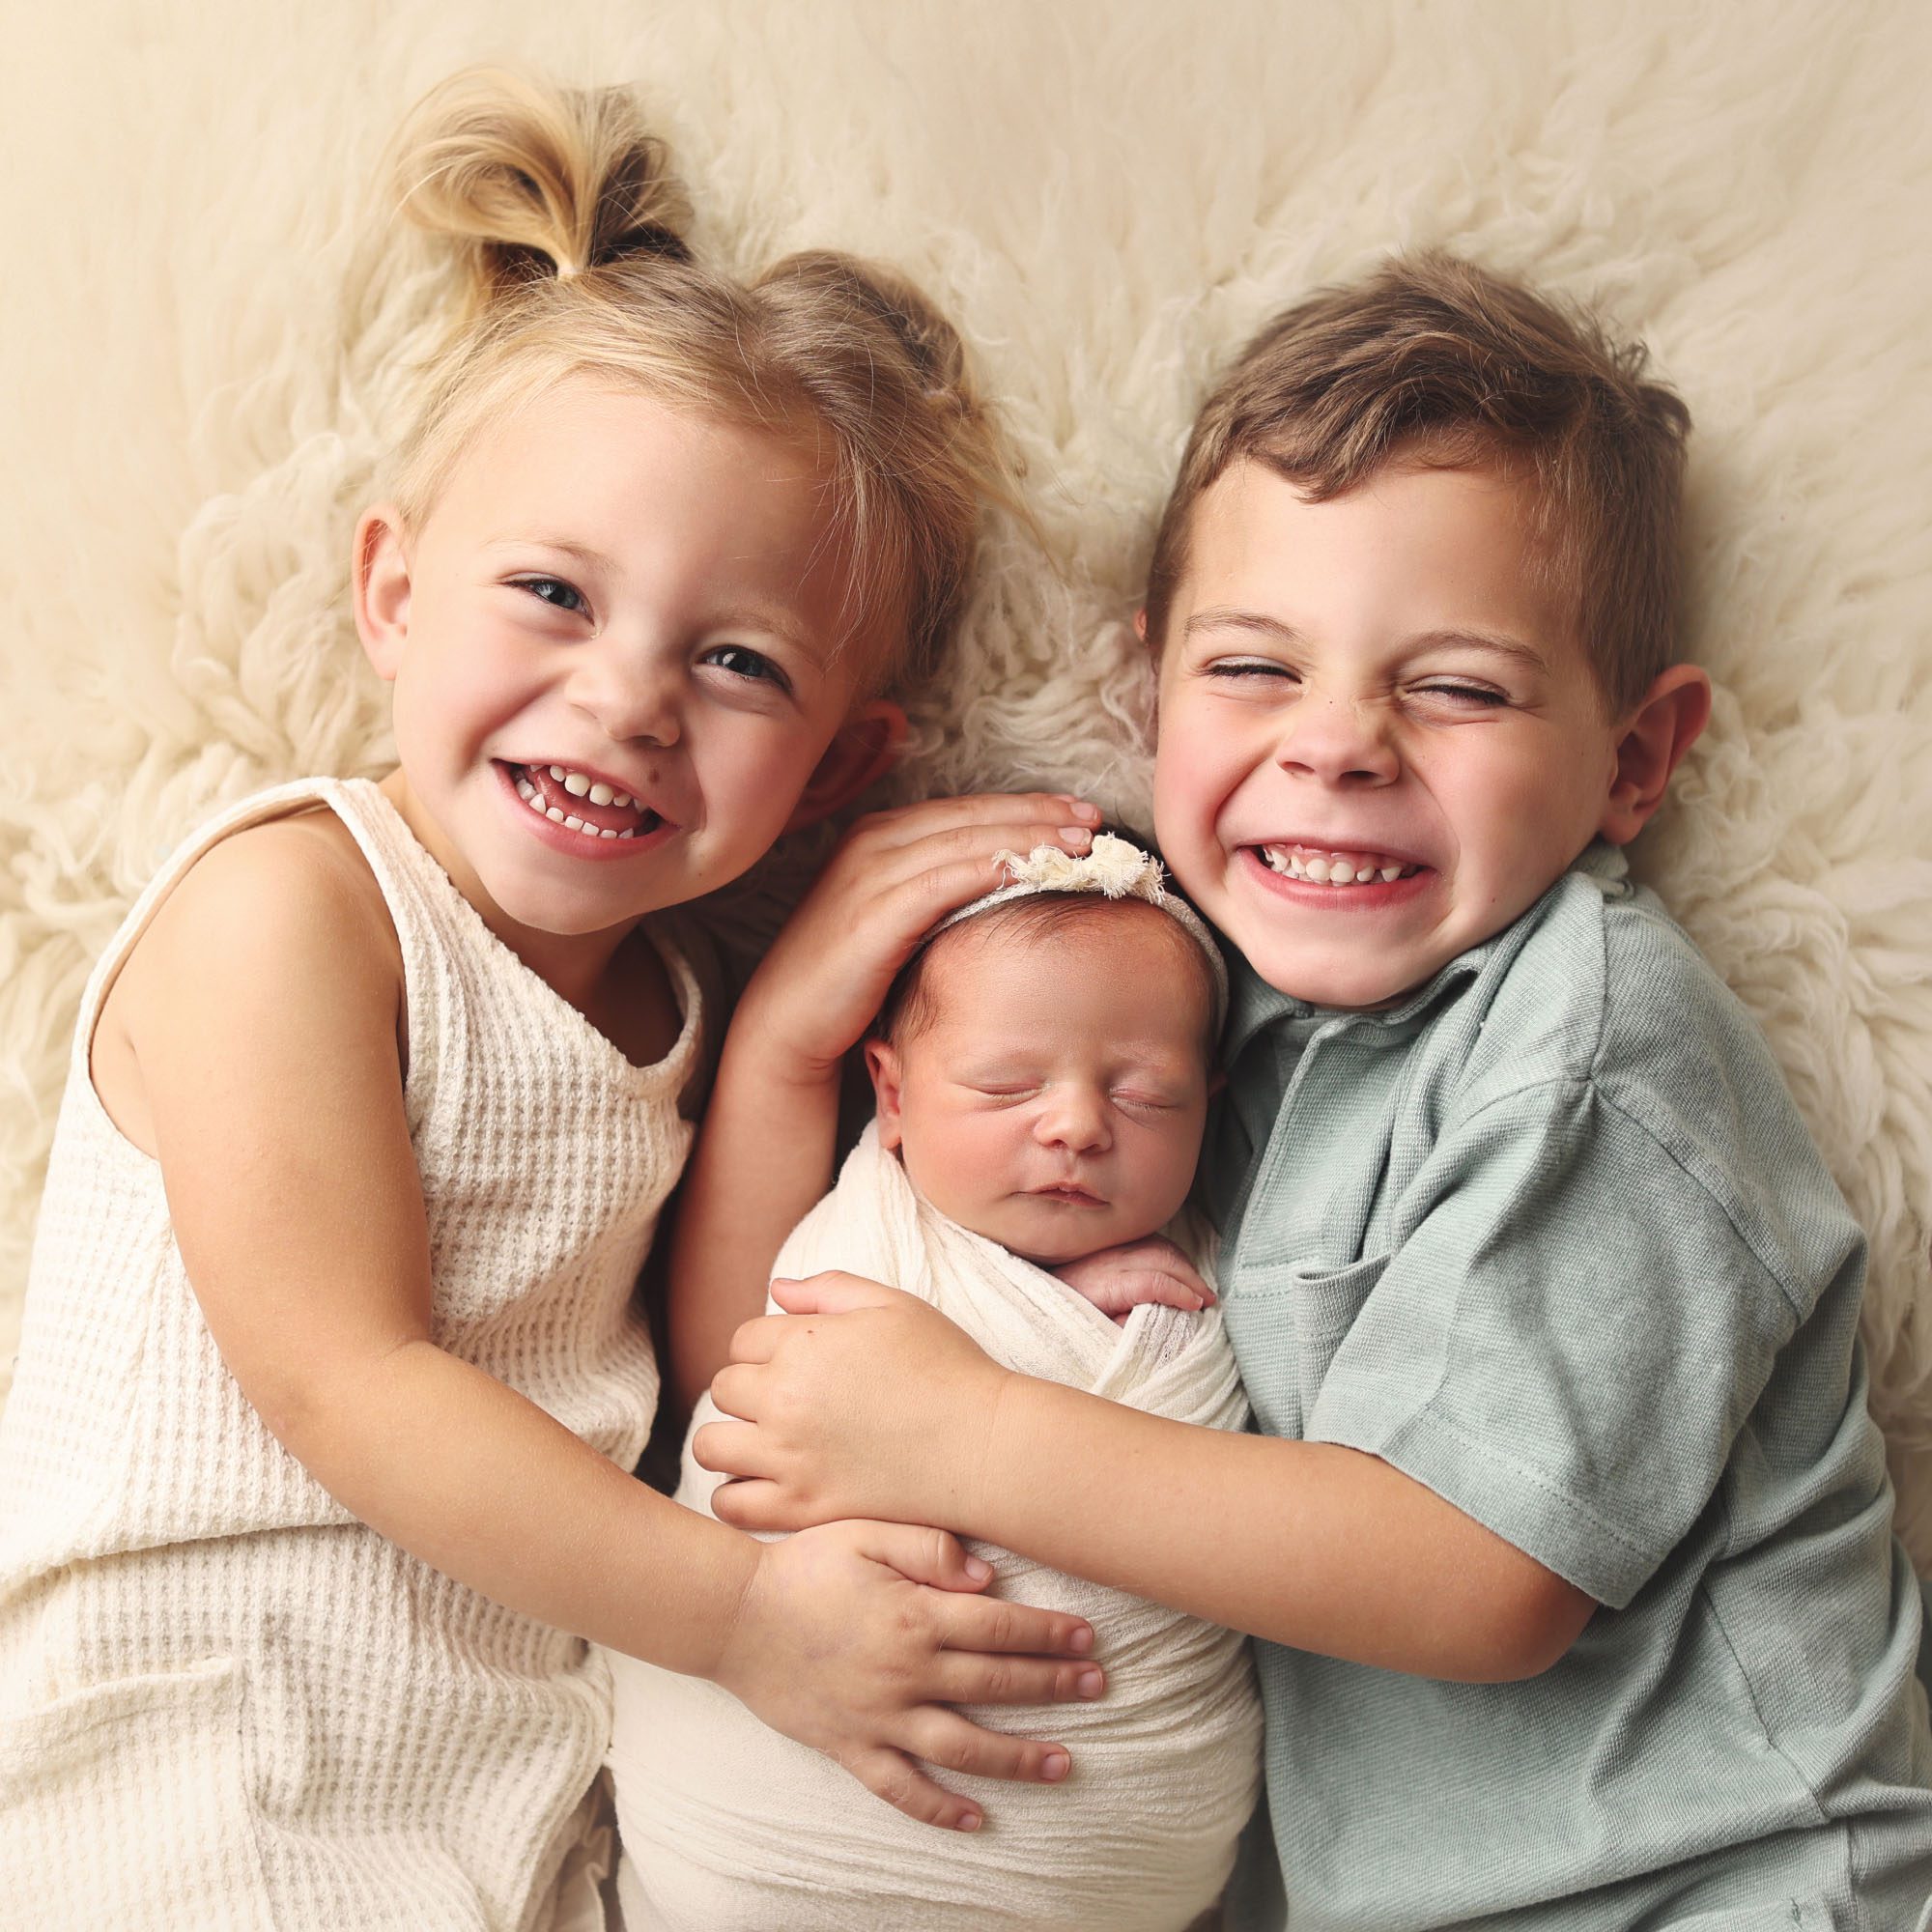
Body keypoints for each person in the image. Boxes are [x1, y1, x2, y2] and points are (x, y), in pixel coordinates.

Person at [688, 255, 1932, 1927]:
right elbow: (763, 1360)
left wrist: (961, 1431)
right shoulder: (1161, 994)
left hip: (1711, 1883)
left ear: (1635, 759)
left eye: (1459, 686)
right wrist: (783, 1037)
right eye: (1257, 670)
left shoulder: (1594, 1052)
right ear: (1149, 696)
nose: (1337, 745)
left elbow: (1470, 1579)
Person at [0, 68, 1104, 1930]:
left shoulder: (672, 996)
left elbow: (711, 1375)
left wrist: (788, 1031)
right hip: (206, 1767)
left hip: (514, 1785)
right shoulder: (296, 906)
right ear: (392, 594)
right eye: (553, 595)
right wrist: (749, 1616)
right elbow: (349, 1381)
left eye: (738, 660)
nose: (628, 699)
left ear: (839, 771)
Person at [608, 835, 1261, 1931]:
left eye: (1148, 1097)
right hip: (770, 1836)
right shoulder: (863, 1238)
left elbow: (1222, 1509)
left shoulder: (1214, 1260)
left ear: (1213, 1104)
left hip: (1095, 1859)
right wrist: (1022, 1304)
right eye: (1006, 1085)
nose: (1076, 1124)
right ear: (891, 1096)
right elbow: (751, 1382)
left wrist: (1056, 1302)